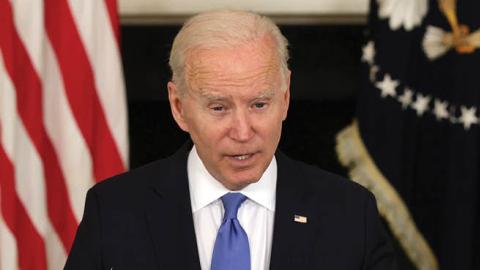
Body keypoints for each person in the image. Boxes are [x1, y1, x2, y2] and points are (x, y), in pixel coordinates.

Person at [64, 9, 397, 270]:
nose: (242, 131)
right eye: (219, 107)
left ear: (285, 97)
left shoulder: (349, 213)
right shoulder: (115, 211)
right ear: (179, 107)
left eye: (259, 104)